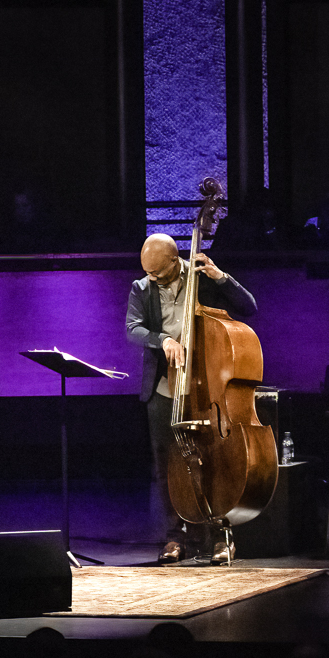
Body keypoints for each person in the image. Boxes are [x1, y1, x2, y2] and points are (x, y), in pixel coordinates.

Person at [125, 233, 259, 564]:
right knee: (167, 466)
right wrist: (164, 340)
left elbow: (249, 308)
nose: (152, 279)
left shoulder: (202, 277)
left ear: (175, 261)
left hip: (206, 387)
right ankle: (176, 537)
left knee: (214, 462)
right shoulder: (142, 288)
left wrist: (222, 278)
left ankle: (220, 536)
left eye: (158, 272)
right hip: (164, 390)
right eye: (148, 273)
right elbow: (132, 328)